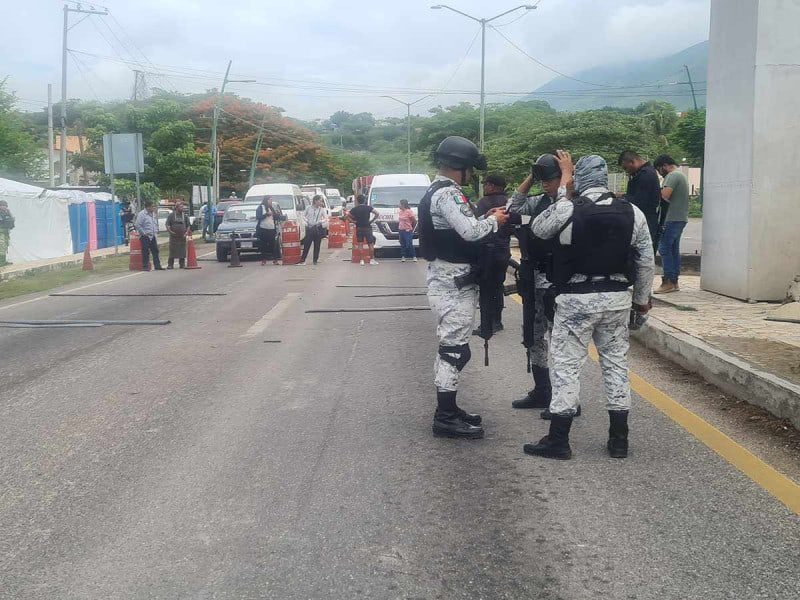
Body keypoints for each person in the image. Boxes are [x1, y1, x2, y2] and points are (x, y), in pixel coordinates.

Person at [524, 151, 654, 460]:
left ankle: (558, 440)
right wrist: (641, 301)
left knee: (567, 367)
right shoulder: (632, 212)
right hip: (616, 298)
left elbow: (537, 230)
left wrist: (565, 192)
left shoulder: (567, 207)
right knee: (616, 366)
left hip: (575, 299)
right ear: (606, 178)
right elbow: (646, 261)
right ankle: (619, 440)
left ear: (578, 179)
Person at [418, 136, 510, 439]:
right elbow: (471, 233)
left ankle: (450, 408)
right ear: (461, 167)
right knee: (454, 351)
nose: (472, 174)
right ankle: (444, 416)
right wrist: (494, 221)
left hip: (447, 280)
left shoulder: (436, 191)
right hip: (453, 284)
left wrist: (484, 218)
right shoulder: (448, 194)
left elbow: (457, 230)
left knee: (456, 349)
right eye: (471, 168)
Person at [508, 154, 575, 418]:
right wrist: (531, 178)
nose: (545, 184)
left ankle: (567, 397)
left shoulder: (572, 201)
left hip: (559, 283)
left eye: (550, 179)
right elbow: (514, 206)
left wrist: (565, 180)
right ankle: (542, 391)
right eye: (542, 179)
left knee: (561, 342)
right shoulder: (540, 201)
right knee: (534, 337)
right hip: (534, 279)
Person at [473, 173, 513, 334]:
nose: (484, 187)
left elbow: (474, 225)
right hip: (503, 250)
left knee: (485, 289)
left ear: (493, 186)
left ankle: (486, 325)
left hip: (485, 252)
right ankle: (497, 321)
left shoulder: (483, 203)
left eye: (486, 184)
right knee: (497, 286)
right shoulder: (509, 203)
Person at [653, 155, 690, 294]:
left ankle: (668, 281)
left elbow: (664, 196)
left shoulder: (672, 176)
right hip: (680, 218)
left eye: (659, 169)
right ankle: (674, 281)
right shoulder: (680, 175)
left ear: (664, 165)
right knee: (673, 249)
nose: (659, 173)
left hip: (671, 218)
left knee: (664, 248)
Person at [618, 151, 662, 251]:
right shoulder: (645, 172)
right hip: (645, 219)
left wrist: (622, 197)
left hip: (645, 220)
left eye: (626, 168)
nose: (627, 171)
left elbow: (640, 201)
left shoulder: (646, 175)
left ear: (632, 162)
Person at [347, 195, 380, 266]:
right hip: (367, 227)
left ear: (358, 201)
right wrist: (372, 220)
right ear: (364, 200)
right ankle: (371, 259)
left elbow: (348, 216)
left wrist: (353, 221)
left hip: (359, 228)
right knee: (370, 244)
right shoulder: (368, 208)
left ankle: (361, 260)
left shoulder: (355, 209)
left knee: (360, 244)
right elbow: (377, 213)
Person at [135, 201, 163, 271]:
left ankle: (157, 265)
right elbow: (137, 225)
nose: (153, 208)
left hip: (152, 235)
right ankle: (145, 266)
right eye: (152, 206)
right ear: (148, 207)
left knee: (155, 251)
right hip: (145, 236)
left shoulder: (153, 214)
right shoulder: (142, 214)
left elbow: (154, 223)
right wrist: (144, 233)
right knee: (145, 251)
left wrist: (156, 231)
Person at [256, 197, 283, 266]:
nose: (271, 201)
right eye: (270, 200)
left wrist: (277, 214)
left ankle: (275, 260)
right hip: (263, 228)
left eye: (271, 200)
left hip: (271, 228)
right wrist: (266, 214)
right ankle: (263, 260)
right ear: (266, 200)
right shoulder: (260, 207)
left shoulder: (271, 208)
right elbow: (258, 217)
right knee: (263, 245)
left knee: (273, 245)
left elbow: (276, 218)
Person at [300, 195, 327, 265]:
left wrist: (320, 221)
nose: (321, 202)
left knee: (317, 244)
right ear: (315, 201)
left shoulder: (321, 209)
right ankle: (303, 259)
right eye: (320, 201)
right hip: (309, 228)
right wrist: (306, 221)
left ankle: (315, 259)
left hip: (317, 228)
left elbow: (326, 218)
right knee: (307, 244)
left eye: (321, 201)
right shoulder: (308, 208)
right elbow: (303, 216)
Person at [165, 201, 191, 269]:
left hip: (182, 236)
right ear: (176, 207)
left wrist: (186, 233)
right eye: (181, 207)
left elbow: (188, 225)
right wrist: (170, 231)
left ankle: (182, 264)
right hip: (174, 237)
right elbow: (167, 224)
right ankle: (170, 264)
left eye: (183, 207)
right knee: (172, 250)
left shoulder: (185, 216)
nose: (182, 208)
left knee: (182, 250)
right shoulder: (171, 215)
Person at [0, 200, 15, 267]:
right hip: (1, 232)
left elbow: (12, 219)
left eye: (5, 206)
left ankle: (3, 261)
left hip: (6, 232)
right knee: (1, 246)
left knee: (5, 245)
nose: (4, 207)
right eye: (2, 205)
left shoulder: (7, 212)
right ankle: (1, 262)